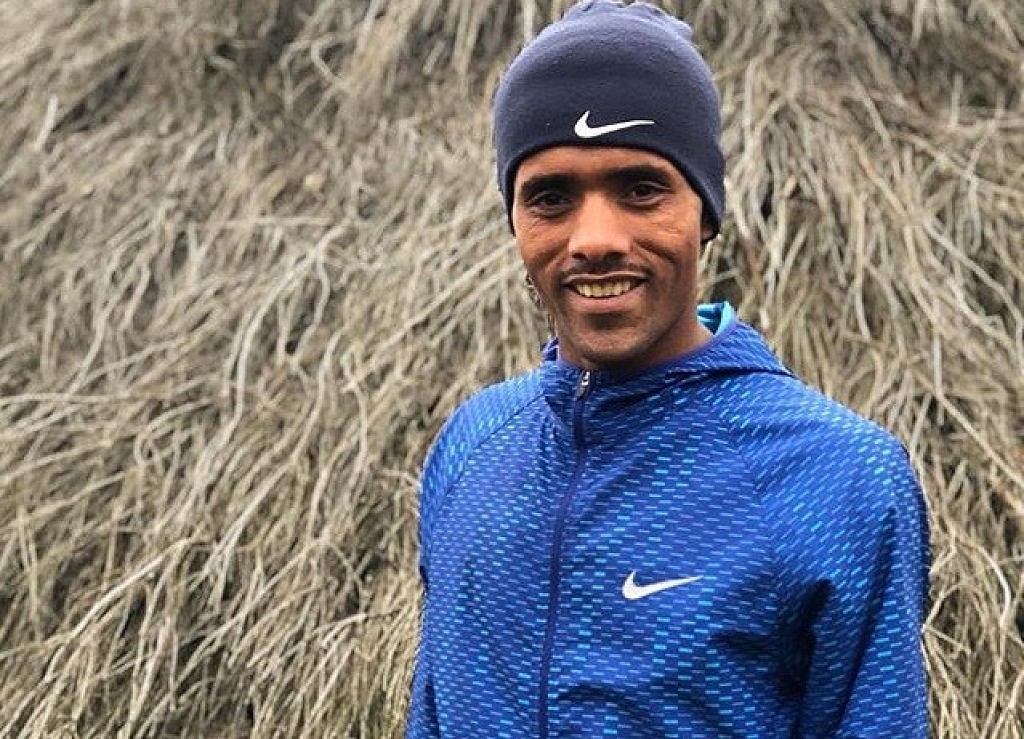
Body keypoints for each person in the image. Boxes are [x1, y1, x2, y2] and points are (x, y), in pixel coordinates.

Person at [406, 1, 930, 736]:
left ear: (706, 211)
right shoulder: (472, 445)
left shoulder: (835, 476)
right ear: (515, 219)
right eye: (551, 197)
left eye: (641, 189)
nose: (595, 239)